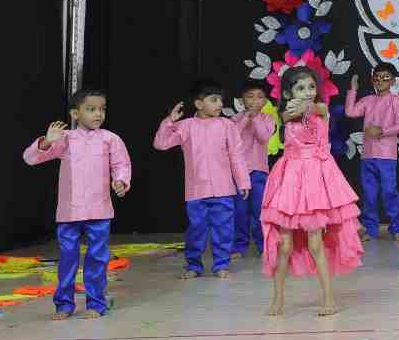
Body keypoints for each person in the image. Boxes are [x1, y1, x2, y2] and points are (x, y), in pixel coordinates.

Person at [261, 65, 363, 316]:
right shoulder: (286, 112)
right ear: (288, 93)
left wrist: (306, 106)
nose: (308, 91)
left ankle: (329, 299)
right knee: (284, 245)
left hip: (314, 180)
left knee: (315, 243)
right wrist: (290, 110)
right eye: (300, 88)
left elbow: (317, 109)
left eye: (311, 87)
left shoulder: (321, 109)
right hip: (290, 180)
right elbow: (286, 116)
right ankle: (277, 299)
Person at [22, 90, 131, 319]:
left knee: (97, 260)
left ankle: (96, 304)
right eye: (91, 109)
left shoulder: (110, 138)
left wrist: (121, 181)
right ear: (75, 113)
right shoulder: (65, 138)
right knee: (68, 259)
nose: (98, 114)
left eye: (102, 109)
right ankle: (64, 305)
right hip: (69, 212)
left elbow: (122, 164)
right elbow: (30, 158)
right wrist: (46, 141)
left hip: (99, 211)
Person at [154, 78, 249, 279]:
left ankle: (221, 264)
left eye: (220, 99)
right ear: (198, 103)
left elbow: (237, 156)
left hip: (223, 189)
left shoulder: (227, 125)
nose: (220, 104)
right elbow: (161, 144)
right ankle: (193, 265)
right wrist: (169, 122)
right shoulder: (186, 126)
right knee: (196, 230)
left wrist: (243, 182)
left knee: (224, 229)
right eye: (214, 100)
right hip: (196, 190)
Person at [344, 63, 399, 242]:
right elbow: (350, 112)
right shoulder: (368, 100)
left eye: (385, 77)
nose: (380, 81)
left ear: (393, 81)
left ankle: (396, 228)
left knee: (389, 192)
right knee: (369, 194)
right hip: (368, 156)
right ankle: (371, 229)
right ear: (373, 80)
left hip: (387, 156)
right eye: (377, 77)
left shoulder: (397, 101)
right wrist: (353, 90)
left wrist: (381, 131)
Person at [232, 80, 275, 257]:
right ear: (241, 100)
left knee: (259, 210)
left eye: (259, 97)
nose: (255, 101)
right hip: (238, 172)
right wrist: (245, 118)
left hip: (259, 171)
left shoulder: (267, 119)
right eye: (250, 97)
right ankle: (239, 246)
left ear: (265, 101)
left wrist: (255, 117)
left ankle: (263, 245)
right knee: (239, 211)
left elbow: (263, 136)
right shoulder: (234, 119)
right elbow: (233, 137)